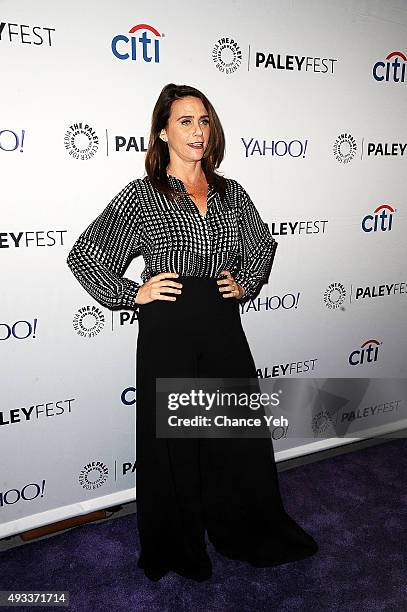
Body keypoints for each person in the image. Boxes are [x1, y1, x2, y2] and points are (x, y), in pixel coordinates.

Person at [66, 83, 318, 582]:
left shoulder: (229, 191)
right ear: (163, 132)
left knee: (232, 435)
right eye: (185, 121)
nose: (197, 131)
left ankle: (245, 527)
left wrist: (244, 281)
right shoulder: (143, 195)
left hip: (221, 323)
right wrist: (132, 292)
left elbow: (262, 245)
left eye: (203, 121)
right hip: (170, 326)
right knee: (176, 443)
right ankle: (179, 546)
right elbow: (85, 255)